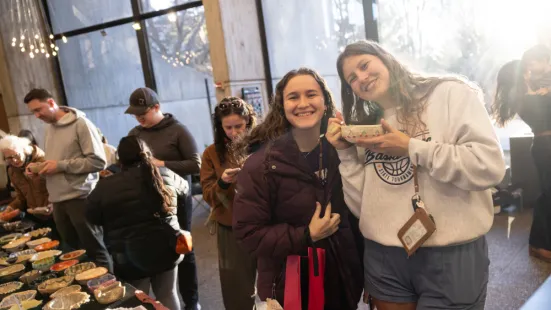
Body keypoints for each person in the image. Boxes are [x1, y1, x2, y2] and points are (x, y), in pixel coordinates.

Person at [327, 41, 506, 310]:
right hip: (383, 256)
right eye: (351, 78)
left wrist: (412, 147)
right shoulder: (366, 125)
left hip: (450, 251)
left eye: (364, 65)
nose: (361, 78)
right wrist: (346, 153)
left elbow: (489, 166)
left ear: (385, 58)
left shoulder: (448, 94)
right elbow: (363, 207)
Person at [232, 68, 364, 309]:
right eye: (293, 97)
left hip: (341, 283)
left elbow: (359, 218)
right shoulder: (261, 165)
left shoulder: (341, 152)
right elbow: (247, 233)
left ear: (325, 102)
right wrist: (306, 235)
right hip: (290, 289)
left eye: (311, 94)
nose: (303, 104)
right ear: (282, 106)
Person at [87, 136, 188, 310]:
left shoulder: (106, 186)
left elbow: (91, 217)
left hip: (129, 257)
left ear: (120, 159)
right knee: (168, 294)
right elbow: (185, 189)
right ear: (147, 154)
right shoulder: (164, 173)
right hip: (167, 248)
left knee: (138, 301)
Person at [126, 87, 201, 310]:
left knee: (184, 248)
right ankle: (166, 299)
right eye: (135, 114)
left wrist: (162, 164)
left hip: (178, 199)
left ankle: (192, 301)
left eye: (142, 113)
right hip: (148, 201)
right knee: (158, 249)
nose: (139, 118)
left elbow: (196, 164)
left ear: (156, 107)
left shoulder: (178, 131)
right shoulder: (134, 134)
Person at [24, 88, 112, 271]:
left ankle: (111, 294)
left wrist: (61, 165)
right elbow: (56, 161)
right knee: (73, 255)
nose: (37, 115)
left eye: (39, 109)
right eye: (33, 112)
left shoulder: (81, 124)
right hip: (58, 199)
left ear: (51, 103)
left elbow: (98, 162)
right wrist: (38, 168)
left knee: (96, 251)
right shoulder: (49, 128)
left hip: (80, 197)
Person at [492, 47, 551, 262]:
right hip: (546, 147)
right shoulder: (525, 99)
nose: (529, 72)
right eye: (525, 70)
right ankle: (538, 243)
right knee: (548, 195)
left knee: (548, 194)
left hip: (545, 146)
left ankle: (540, 242)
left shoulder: (531, 95)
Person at [199, 97, 257, 310]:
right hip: (230, 227)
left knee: (279, 285)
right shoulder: (212, 154)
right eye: (228, 127)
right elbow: (207, 194)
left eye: (239, 126)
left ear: (249, 122)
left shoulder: (263, 145)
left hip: (267, 223)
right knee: (237, 291)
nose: (234, 132)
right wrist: (223, 182)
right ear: (220, 127)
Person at [0, 135, 58, 239]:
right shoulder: (12, 171)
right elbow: (21, 197)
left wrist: (54, 204)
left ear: (24, 150)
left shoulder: (44, 161)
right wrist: (11, 207)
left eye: (16, 155)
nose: (14, 161)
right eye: (9, 158)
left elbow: (61, 186)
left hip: (57, 214)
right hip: (36, 218)